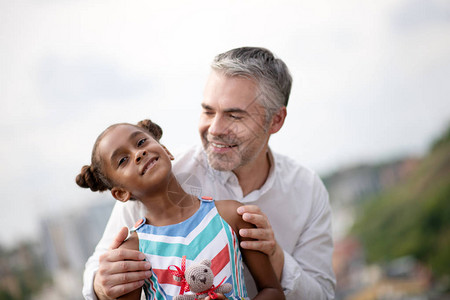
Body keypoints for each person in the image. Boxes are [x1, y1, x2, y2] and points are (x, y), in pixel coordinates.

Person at [82, 47, 336, 300]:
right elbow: (99, 267)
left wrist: (276, 256)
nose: (214, 129)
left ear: (276, 120)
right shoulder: (157, 175)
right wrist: (103, 285)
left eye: (234, 115)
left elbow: (322, 295)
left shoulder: (308, 190)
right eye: (208, 111)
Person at [76, 119, 285, 300]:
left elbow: (273, 291)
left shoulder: (231, 216)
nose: (138, 153)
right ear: (121, 193)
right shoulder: (132, 254)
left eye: (141, 142)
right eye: (123, 160)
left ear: (165, 150)